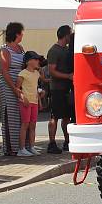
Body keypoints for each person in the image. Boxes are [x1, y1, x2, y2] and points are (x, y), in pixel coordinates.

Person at [0, 22, 25, 155]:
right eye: (21, 33)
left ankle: (20, 147)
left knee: (20, 115)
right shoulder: (5, 49)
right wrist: (15, 88)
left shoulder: (20, 48)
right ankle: (10, 148)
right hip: (8, 85)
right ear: (16, 34)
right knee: (10, 115)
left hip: (20, 83)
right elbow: (4, 71)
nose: (22, 35)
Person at [46, 25, 74, 154]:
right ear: (65, 35)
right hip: (57, 88)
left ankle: (67, 141)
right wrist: (68, 76)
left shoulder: (67, 50)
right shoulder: (54, 51)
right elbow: (52, 71)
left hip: (67, 88)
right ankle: (52, 143)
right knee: (55, 116)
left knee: (66, 117)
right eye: (70, 34)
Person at [16, 51, 45, 157]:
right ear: (29, 61)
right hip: (26, 102)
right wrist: (23, 98)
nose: (38, 61)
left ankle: (32, 147)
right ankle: (21, 148)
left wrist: (40, 100)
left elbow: (39, 84)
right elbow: (17, 88)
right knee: (25, 124)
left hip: (35, 102)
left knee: (33, 125)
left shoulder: (36, 73)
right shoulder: (22, 73)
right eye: (36, 59)